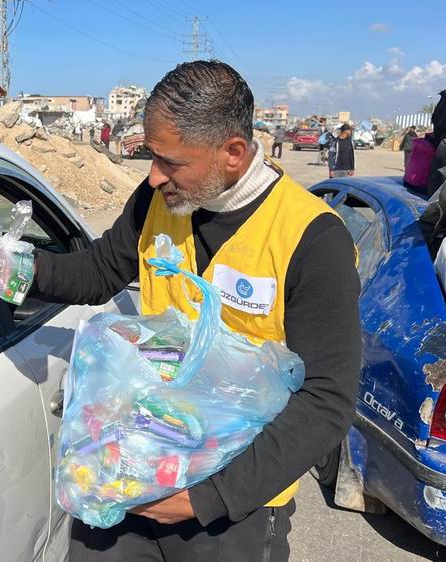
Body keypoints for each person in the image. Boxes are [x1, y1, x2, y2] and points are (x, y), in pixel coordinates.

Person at [26, 61, 361, 561]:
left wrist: (205, 499)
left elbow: (327, 400)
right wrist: (20, 269)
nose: (154, 175)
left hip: (230, 510)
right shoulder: (159, 198)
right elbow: (99, 272)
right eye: (152, 158)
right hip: (131, 472)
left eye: (171, 162)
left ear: (232, 153)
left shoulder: (312, 239)